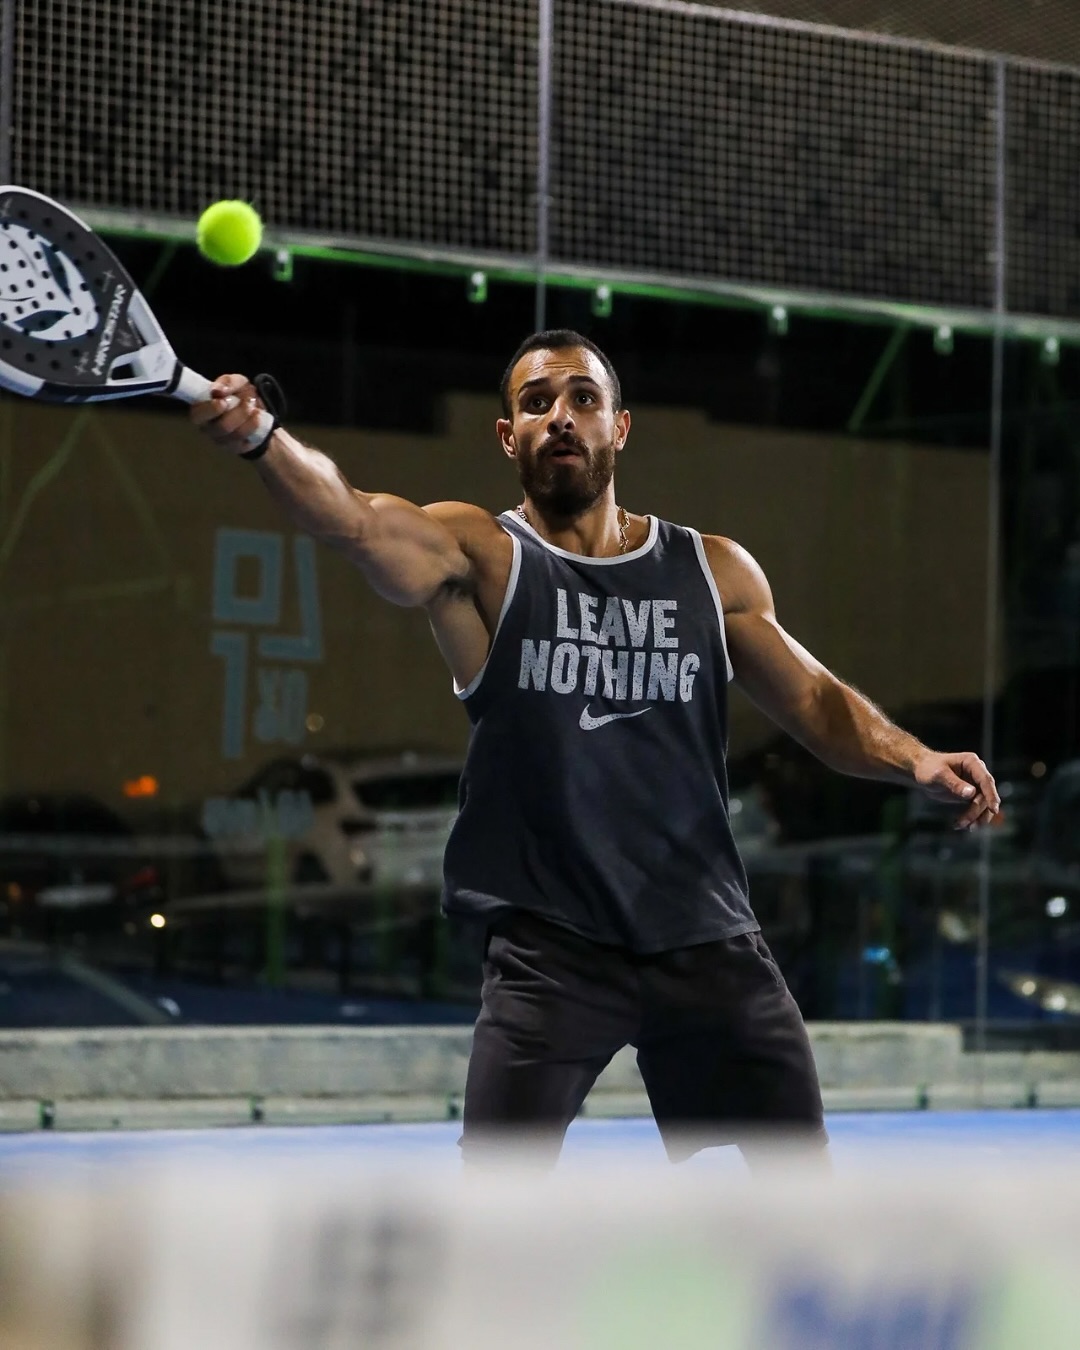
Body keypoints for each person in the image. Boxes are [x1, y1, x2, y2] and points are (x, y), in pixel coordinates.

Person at [193, 328, 1000, 1168]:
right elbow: (355, 523)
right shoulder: (482, 556)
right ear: (509, 437)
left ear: (620, 426)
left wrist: (914, 759)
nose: (562, 417)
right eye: (537, 403)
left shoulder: (711, 570)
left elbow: (814, 701)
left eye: (584, 398)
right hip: (551, 950)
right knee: (500, 1203)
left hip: (705, 938)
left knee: (796, 1194)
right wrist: (261, 438)